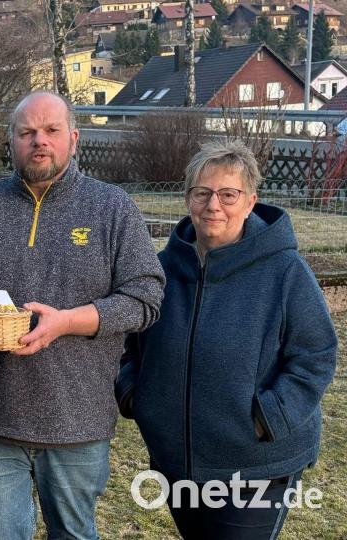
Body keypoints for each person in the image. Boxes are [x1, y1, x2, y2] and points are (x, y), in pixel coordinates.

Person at [0, 91, 165, 540]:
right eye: (26, 132)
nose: (38, 141)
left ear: (74, 139)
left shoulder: (112, 208)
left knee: (74, 534)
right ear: (12, 141)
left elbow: (146, 297)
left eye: (50, 131)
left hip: (77, 420)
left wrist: (68, 321)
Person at [115, 140, 338, 539]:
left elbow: (316, 355)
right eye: (202, 193)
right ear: (188, 199)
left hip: (256, 465)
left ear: (250, 201)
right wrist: (136, 394)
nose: (213, 205)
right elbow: (126, 340)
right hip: (178, 461)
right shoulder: (160, 270)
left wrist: (269, 417)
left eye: (228, 194)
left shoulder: (285, 271)